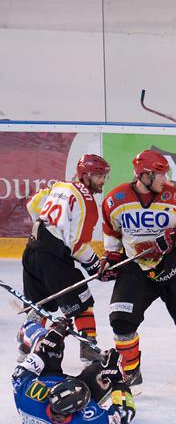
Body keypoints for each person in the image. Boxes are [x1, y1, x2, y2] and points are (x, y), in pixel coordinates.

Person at [100, 149, 176, 394]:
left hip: (173, 266)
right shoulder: (116, 200)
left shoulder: (174, 198)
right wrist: (112, 256)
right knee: (121, 321)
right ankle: (131, 372)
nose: (165, 180)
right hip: (135, 267)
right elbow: (111, 231)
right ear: (144, 175)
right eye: (159, 175)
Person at [21, 154, 111, 364]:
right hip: (52, 257)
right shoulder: (87, 201)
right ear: (85, 176)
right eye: (98, 176)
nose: (102, 181)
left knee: (40, 304)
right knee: (82, 299)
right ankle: (88, 348)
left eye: (104, 176)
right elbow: (77, 246)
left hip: (32, 249)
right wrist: (95, 266)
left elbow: (32, 206)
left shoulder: (59, 186)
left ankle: (26, 346)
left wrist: (49, 229)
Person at [12, 319, 136, 424]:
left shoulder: (28, 397)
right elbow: (124, 416)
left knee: (46, 344)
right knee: (104, 373)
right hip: (59, 403)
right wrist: (118, 382)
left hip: (45, 386)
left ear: (52, 392)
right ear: (77, 410)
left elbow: (19, 373)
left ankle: (27, 328)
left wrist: (48, 346)